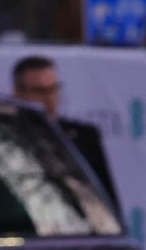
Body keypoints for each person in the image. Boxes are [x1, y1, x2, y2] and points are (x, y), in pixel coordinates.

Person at [13, 55, 117, 209]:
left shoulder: (84, 136)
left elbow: (106, 198)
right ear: (18, 92)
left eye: (54, 88)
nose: (49, 98)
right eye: (40, 91)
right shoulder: (5, 136)